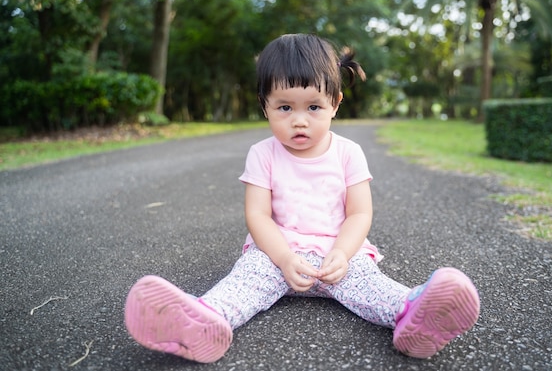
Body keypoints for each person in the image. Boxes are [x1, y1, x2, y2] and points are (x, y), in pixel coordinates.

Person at [124, 33, 480, 363]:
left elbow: (359, 213)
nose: (299, 121)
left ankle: (413, 316)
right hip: (276, 256)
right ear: (264, 105)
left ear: (335, 103)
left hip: (336, 257)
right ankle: (204, 321)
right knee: (243, 284)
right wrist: (282, 258)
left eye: (313, 107)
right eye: (284, 108)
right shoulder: (262, 154)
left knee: (371, 287)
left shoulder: (348, 152)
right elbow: (258, 216)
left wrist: (341, 253)